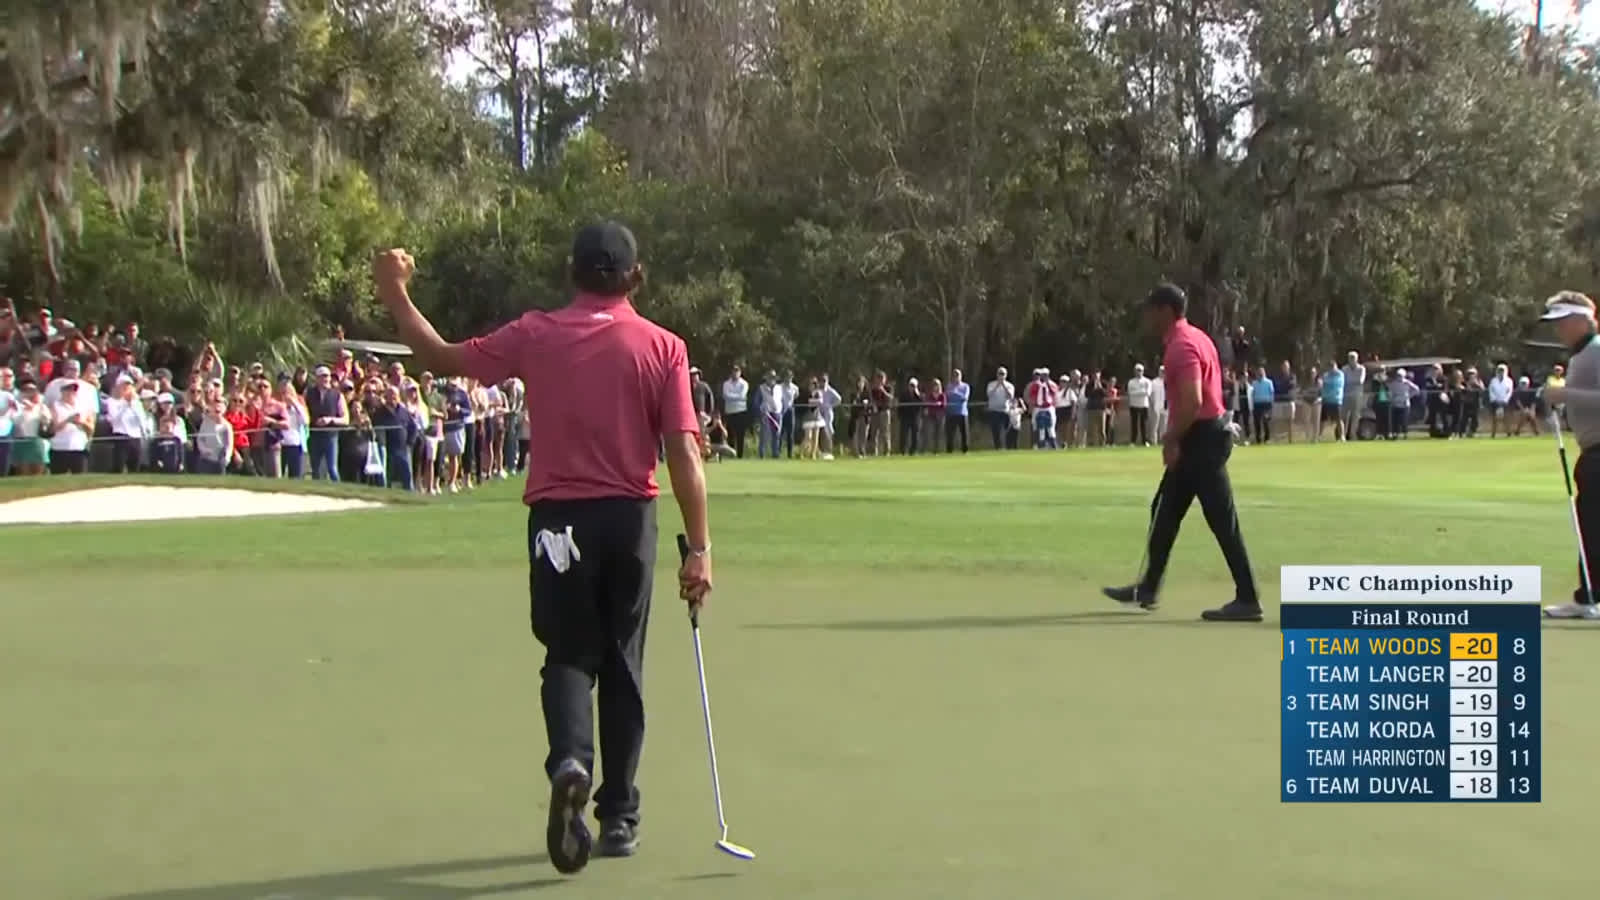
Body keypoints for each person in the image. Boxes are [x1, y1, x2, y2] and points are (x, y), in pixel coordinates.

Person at [372, 222, 713, 874]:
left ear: (571, 271)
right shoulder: (664, 347)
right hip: (628, 520)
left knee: (567, 656)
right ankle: (618, 818)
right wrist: (698, 547)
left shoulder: (535, 333)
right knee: (622, 665)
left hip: (558, 520)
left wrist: (394, 293)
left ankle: (570, 764)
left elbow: (441, 358)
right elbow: (683, 452)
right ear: (636, 279)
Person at [1102, 284, 1261, 622]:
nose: (1146, 317)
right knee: (1165, 509)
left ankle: (1247, 598)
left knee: (1221, 520)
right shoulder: (1196, 337)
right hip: (1203, 435)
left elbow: (1193, 401)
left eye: (1150, 310)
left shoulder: (1182, 346)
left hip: (1200, 438)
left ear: (1165, 311)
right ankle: (1148, 587)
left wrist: (1171, 439)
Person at [1536, 292, 1600, 619]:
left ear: (1579, 321)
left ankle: (1590, 598)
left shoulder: (1597, 350)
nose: (1558, 331)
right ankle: (1589, 595)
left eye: (1561, 323)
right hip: (1591, 450)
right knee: (1590, 524)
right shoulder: (1583, 355)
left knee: (1593, 524)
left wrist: (1563, 393)